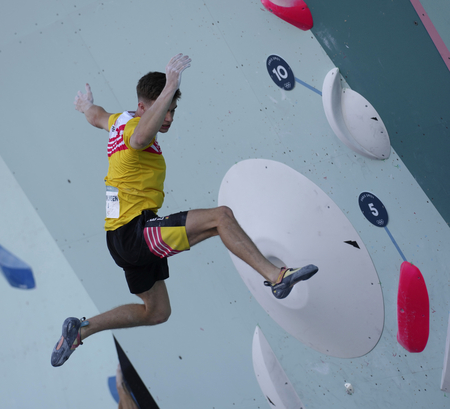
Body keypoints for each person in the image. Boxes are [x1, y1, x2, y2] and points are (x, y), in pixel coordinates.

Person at [51, 54, 317, 367]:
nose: (169, 118)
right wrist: (171, 85)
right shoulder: (135, 128)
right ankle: (277, 277)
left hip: (119, 239)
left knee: (158, 312)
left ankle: (81, 330)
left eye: (173, 111)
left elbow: (97, 116)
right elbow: (139, 138)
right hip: (134, 232)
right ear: (143, 106)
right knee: (222, 216)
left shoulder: (117, 120)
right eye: (164, 109)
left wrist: (85, 106)